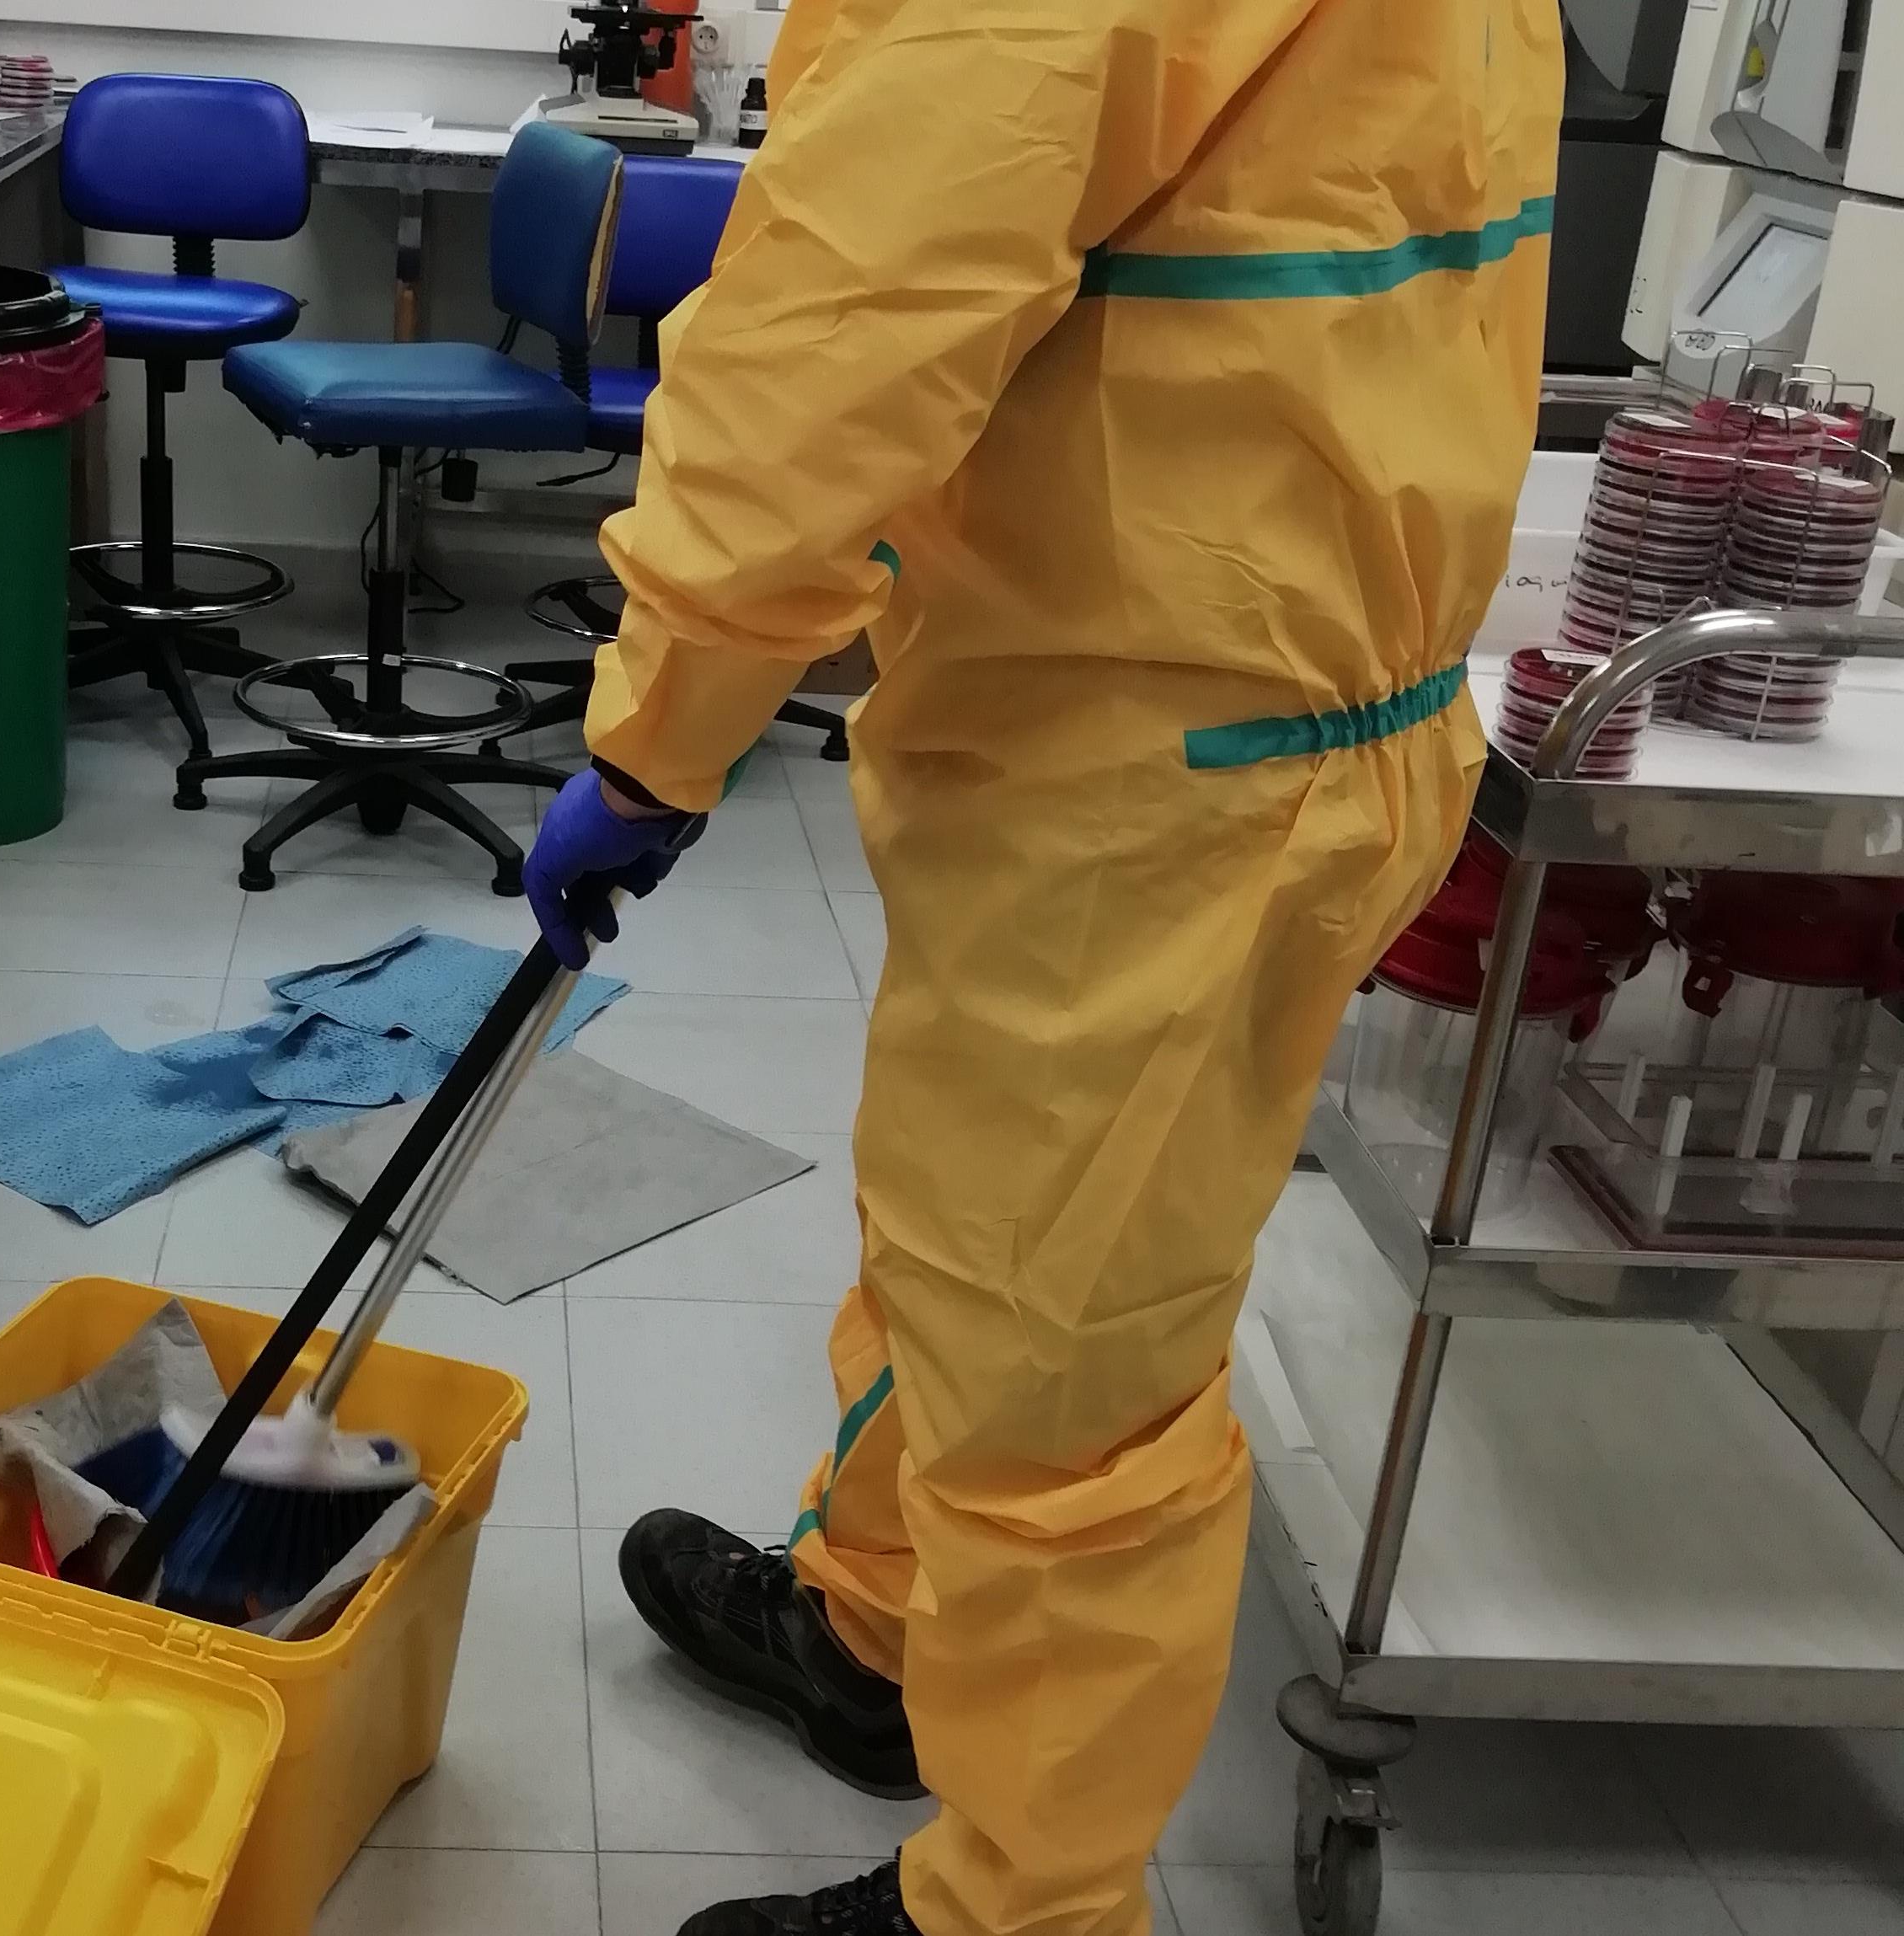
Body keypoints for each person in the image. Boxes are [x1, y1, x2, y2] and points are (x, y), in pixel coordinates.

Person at [518, 2, 1563, 1931]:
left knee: (1069, 1390)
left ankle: (1015, 1910)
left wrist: (662, 722)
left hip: (1160, 761)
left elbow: (854, 318)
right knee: (980, 1248)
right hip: (1270, 699)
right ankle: (877, 1636)